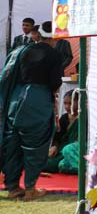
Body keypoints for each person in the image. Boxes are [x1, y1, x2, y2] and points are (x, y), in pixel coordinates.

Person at [0, 20, 63, 201]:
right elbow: (55, 82)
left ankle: (13, 187)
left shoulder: (23, 50)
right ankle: (30, 189)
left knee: (13, 142)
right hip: (37, 100)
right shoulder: (54, 55)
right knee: (36, 144)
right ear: (54, 38)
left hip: (16, 100)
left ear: (39, 34)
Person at [43, 89, 78, 174]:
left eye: (70, 103)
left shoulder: (85, 118)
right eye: (65, 103)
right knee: (44, 163)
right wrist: (54, 146)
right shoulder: (64, 118)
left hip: (75, 151)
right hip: (62, 150)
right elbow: (58, 136)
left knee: (64, 160)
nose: (67, 107)